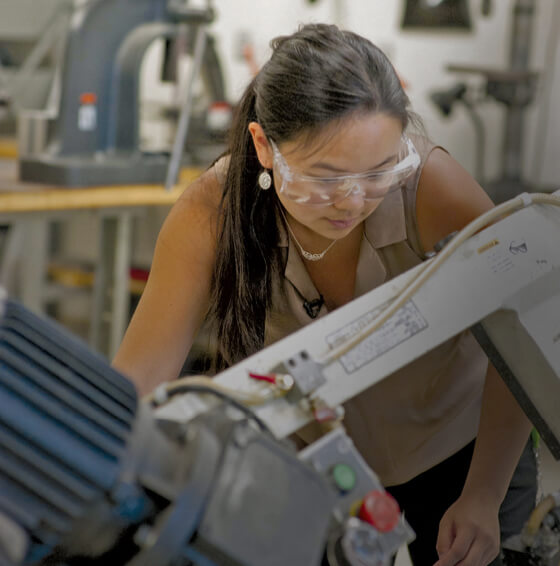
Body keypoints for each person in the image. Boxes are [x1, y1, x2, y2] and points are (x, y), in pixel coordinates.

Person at [113, 23, 537, 566]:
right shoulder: (211, 213)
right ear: (264, 145)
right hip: (320, 467)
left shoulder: (431, 188)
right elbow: (138, 385)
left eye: (379, 171)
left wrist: (483, 495)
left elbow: (520, 339)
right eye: (325, 177)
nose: (353, 200)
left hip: (466, 453)